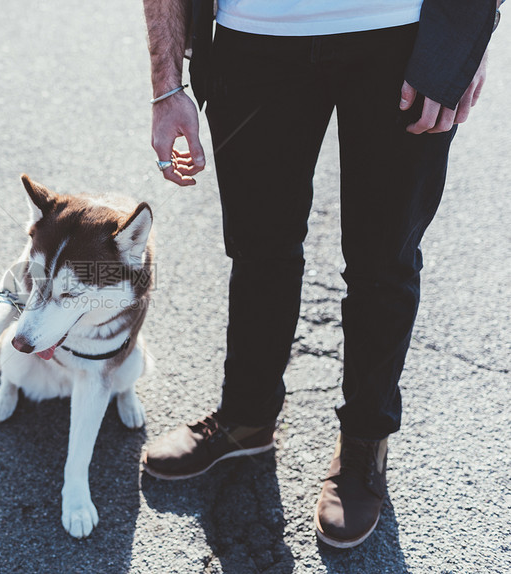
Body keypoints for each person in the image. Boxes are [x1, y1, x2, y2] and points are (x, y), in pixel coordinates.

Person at [140, 0, 497, 548]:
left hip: (396, 34)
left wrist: (463, 43)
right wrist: (167, 85)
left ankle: (364, 442)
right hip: (252, 40)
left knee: (384, 261)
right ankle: (247, 419)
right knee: (259, 249)